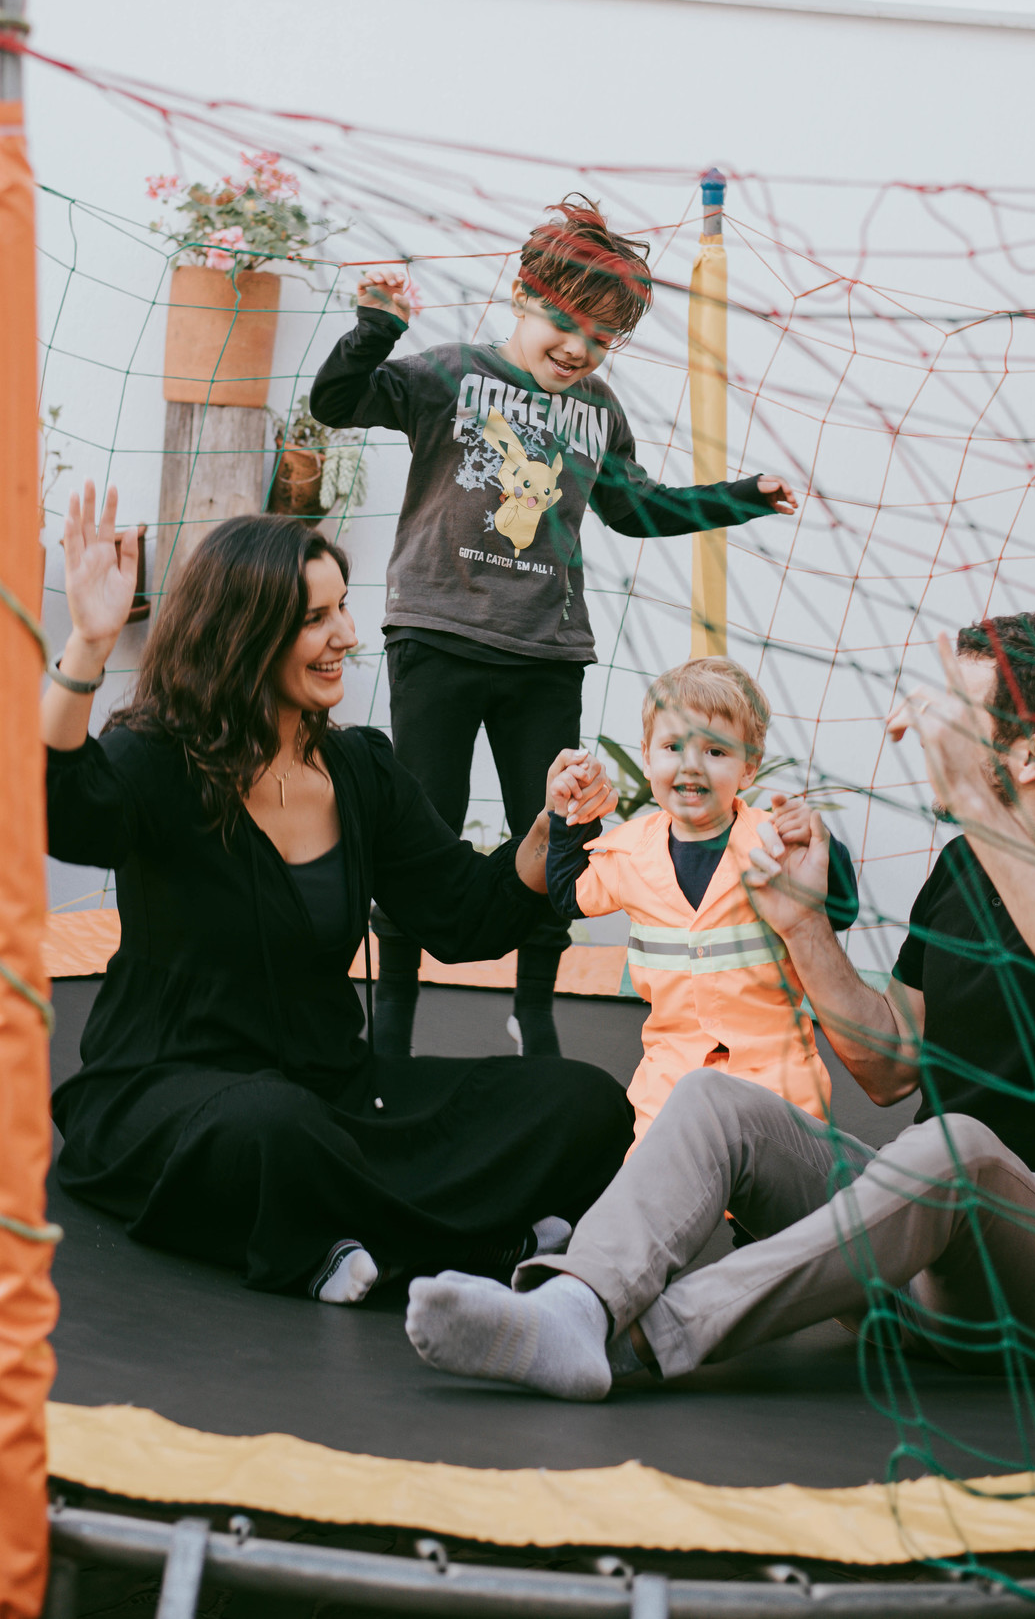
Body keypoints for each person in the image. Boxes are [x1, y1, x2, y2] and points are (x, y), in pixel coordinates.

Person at [404, 613, 1035, 1398]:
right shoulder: (965, 868)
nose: (921, 728)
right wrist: (802, 924)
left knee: (956, 1146)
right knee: (713, 1098)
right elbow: (889, 1067)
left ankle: (629, 1338)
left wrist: (982, 810)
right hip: (900, 1272)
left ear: (1032, 753)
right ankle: (577, 1303)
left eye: (959, 713)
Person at [45, 484, 631, 1304]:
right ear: (245, 633)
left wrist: (547, 831)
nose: (347, 636)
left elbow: (463, 914)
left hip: (338, 1091)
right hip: (171, 1092)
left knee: (585, 1104)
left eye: (344, 608)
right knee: (273, 1130)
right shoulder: (160, 759)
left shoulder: (359, 770)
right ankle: (471, 1241)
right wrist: (88, 642)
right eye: (316, 618)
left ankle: (357, 1240)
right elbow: (59, 808)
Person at [309, 196, 800, 1060]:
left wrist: (739, 498)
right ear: (523, 297)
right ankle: (394, 1018)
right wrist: (375, 329)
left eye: (601, 339)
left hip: (546, 653)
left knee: (559, 825)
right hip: (437, 636)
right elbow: (337, 401)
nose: (579, 349)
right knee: (423, 826)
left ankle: (532, 1012)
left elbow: (636, 510)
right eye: (566, 324)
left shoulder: (598, 410)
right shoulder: (450, 374)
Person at [544, 657, 858, 1146]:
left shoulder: (774, 842)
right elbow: (568, 895)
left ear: (749, 767)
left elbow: (842, 910)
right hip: (670, 1077)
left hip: (776, 1076)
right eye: (673, 747)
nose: (691, 764)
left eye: (715, 750)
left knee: (775, 1186)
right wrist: (569, 818)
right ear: (647, 757)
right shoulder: (629, 853)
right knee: (654, 1182)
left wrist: (822, 846)